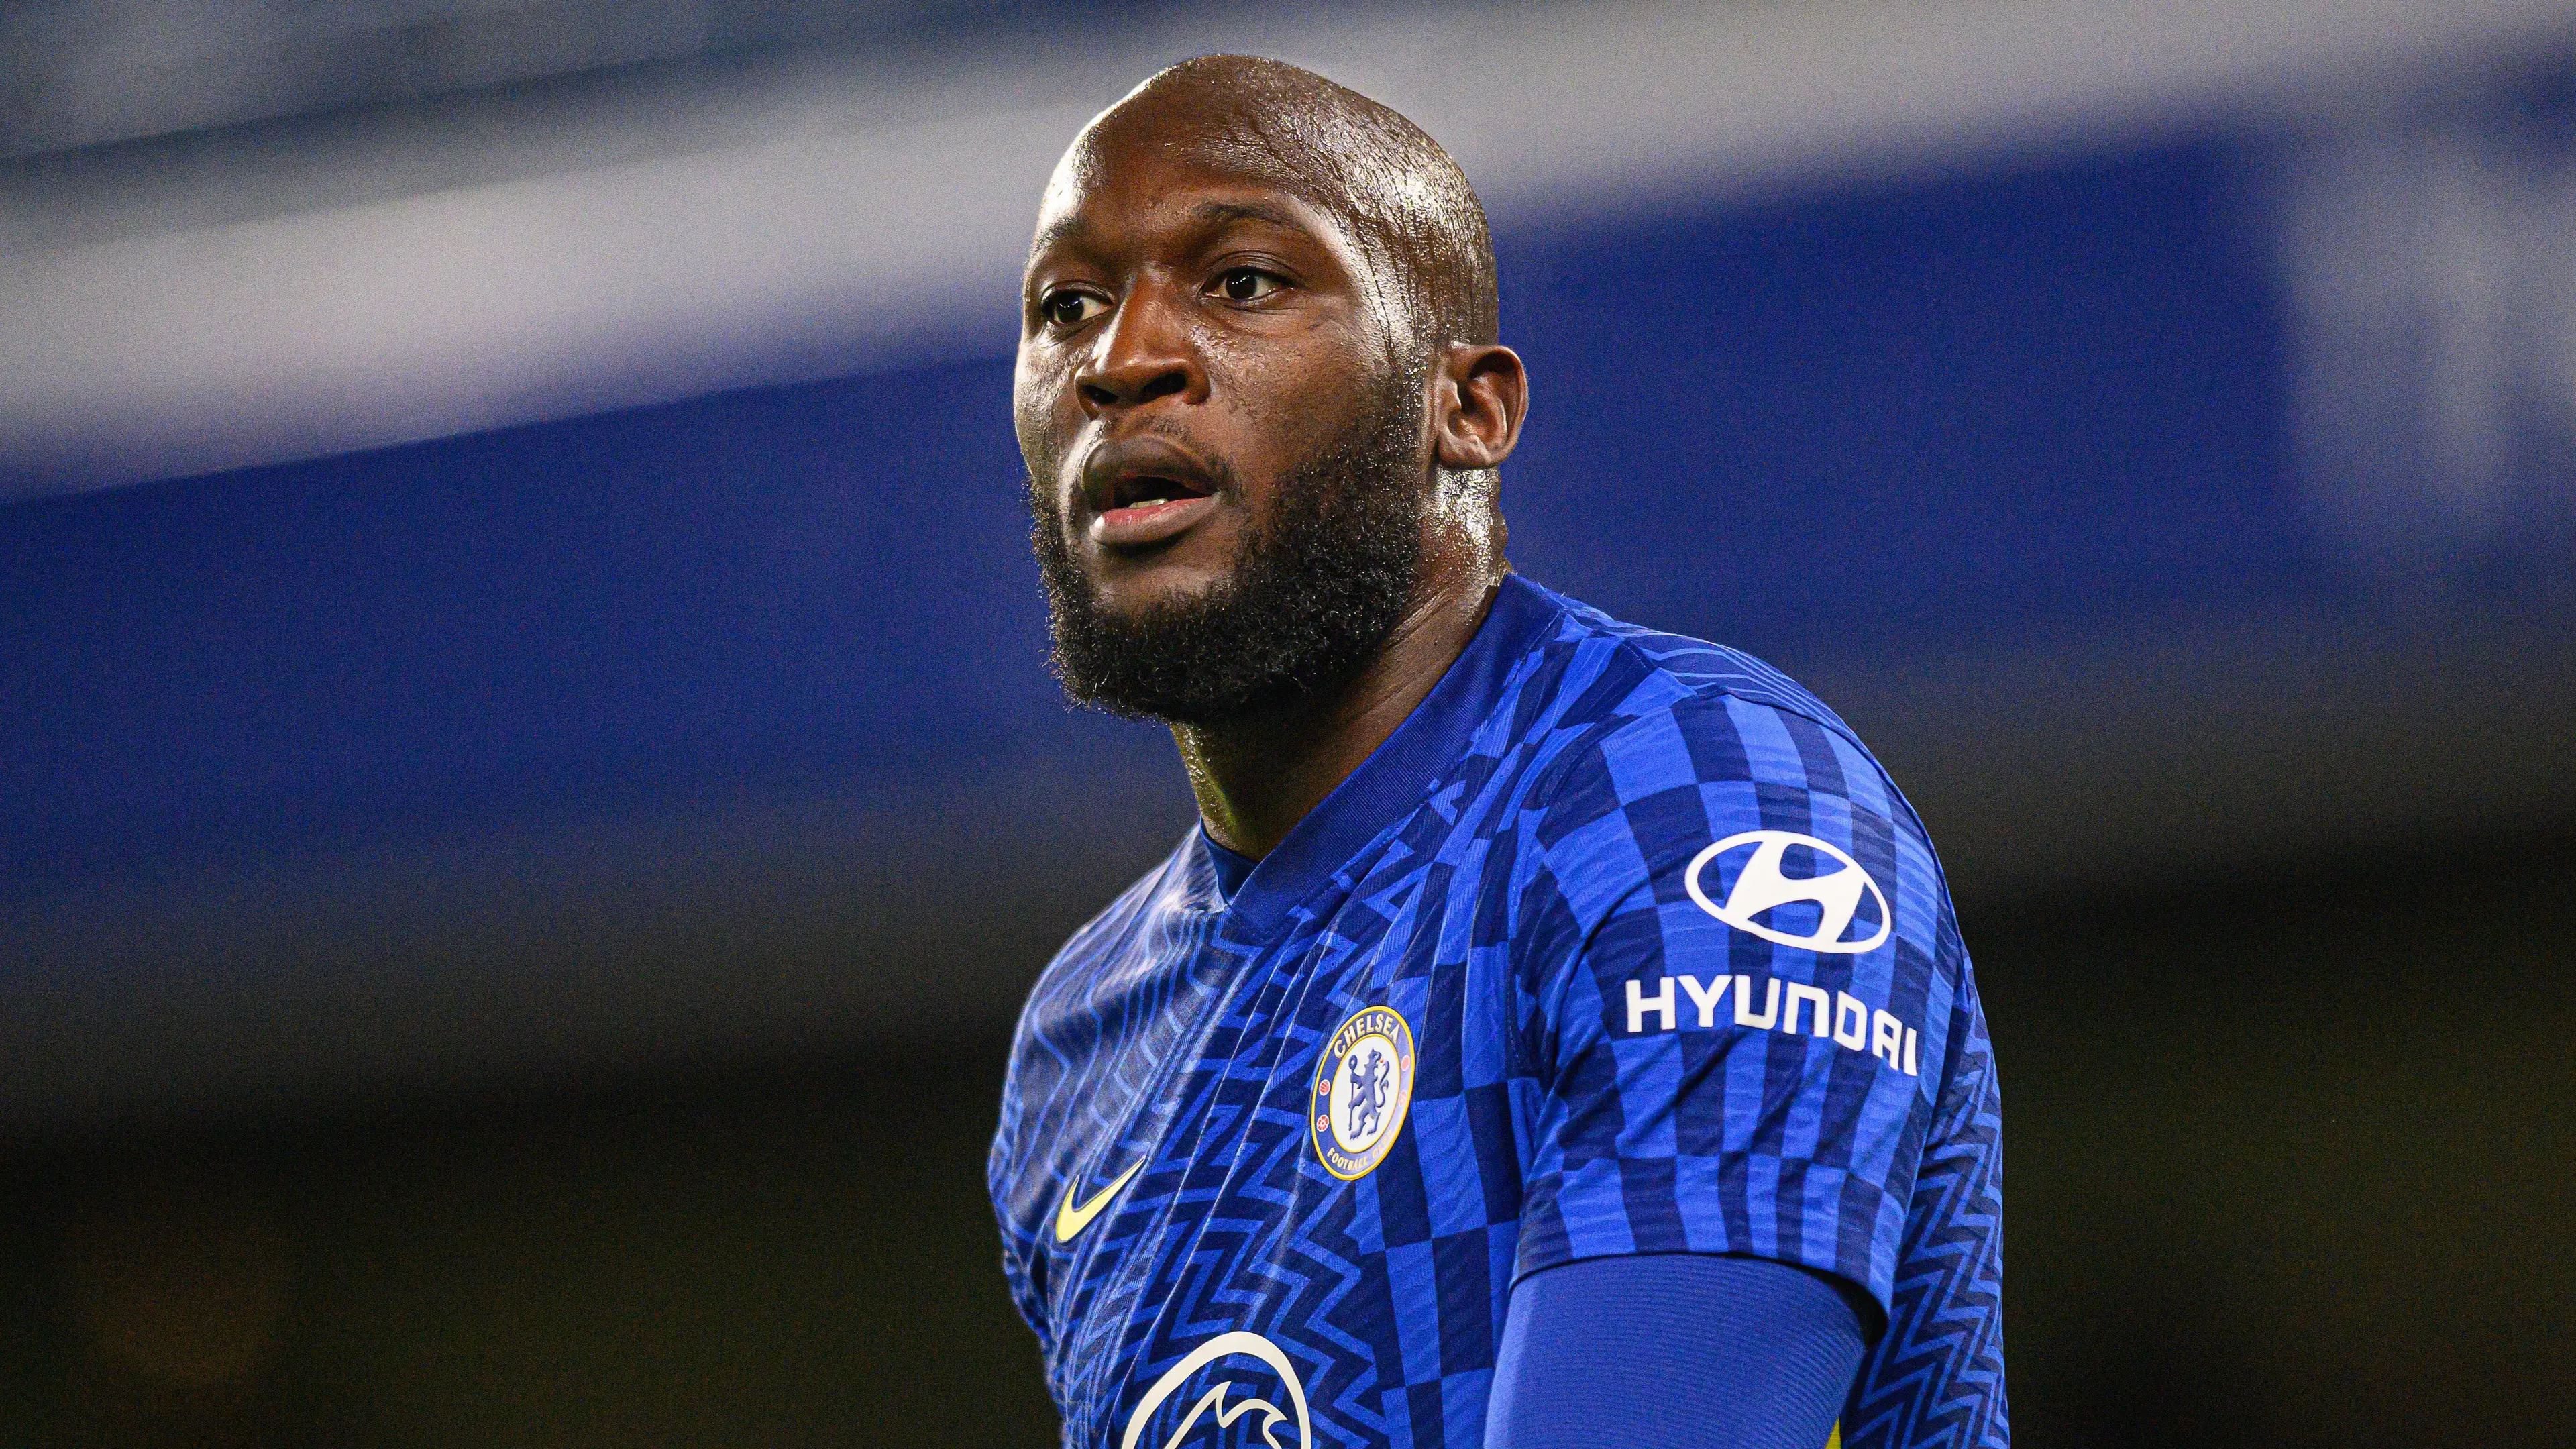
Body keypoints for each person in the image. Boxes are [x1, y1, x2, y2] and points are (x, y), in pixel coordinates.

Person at [986, 55, 2004, 1449]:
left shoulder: (1691, 808)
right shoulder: (1085, 1044)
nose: (1122, 360)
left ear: (1466, 411)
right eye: (1067, 307)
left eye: (1243, 282)